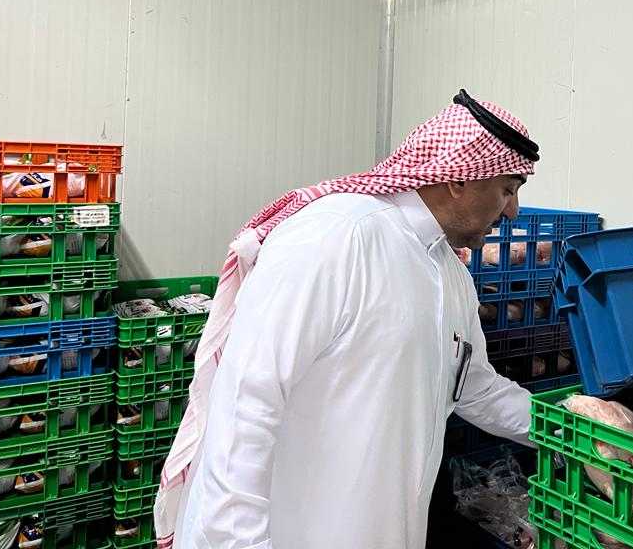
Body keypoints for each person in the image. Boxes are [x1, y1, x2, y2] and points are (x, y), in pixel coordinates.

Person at [154, 89, 541, 549]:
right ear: (459, 179)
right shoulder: (336, 236)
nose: (513, 210)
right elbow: (246, 402)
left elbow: (474, 386)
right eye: (508, 189)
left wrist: (575, 432)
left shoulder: (451, 274)